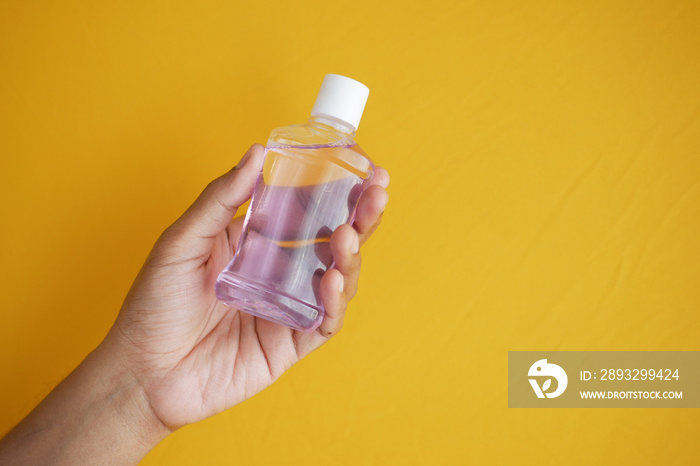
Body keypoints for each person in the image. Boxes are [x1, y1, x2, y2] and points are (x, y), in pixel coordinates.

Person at [0, 144, 390, 464]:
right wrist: (140, 382)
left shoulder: (328, 156)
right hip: (228, 294)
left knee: (335, 254)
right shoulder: (295, 141)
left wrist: (142, 391)